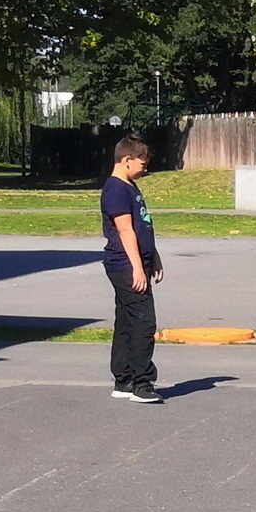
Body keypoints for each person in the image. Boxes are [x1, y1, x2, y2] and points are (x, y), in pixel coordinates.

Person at [101, 135, 164, 404]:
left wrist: (154, 258)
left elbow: (142, 226)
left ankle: (123, 380)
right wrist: (137, 268)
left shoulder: (130, 186)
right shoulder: (116, 189)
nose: (145, 168)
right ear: (126, 160)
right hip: (125, 265)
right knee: (143, 322)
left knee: (127, 322)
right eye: (142, 163)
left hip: (138, 262)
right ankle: (142, 383)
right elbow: (125, 231)